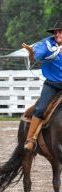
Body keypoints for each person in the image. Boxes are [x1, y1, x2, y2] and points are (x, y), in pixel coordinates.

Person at [22, 20, 62, 152]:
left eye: (60, 32)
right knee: (40, 109)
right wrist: (31, 53)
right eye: (56, 32)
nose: (57, 34)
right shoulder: (46, 44)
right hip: (52, 84)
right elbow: (34, 58)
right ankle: (31, 140)